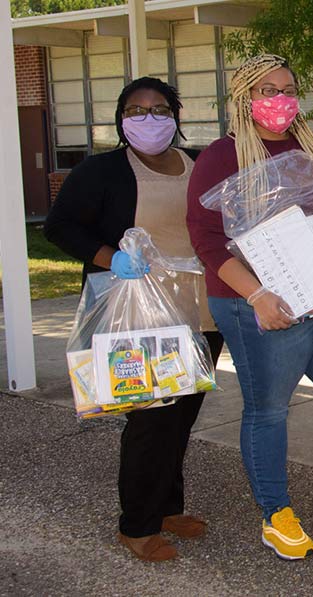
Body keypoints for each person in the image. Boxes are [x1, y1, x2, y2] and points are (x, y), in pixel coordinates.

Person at [186, 54, 313, 561]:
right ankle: (275, 514)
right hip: (257, 301)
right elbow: (207, 240)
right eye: (266, 90)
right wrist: (256, 295)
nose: (278, 100)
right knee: (269, 408)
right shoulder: (221, 156)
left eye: (287, 88)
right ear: (244, 99)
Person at [45, 77, 224, 562]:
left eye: (160, 109)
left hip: (202, 312)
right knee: (151, 421)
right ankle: (137, 525)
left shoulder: (198, 165)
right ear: (122, 119)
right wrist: (109, 257)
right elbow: (59, 226)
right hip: (142, 317)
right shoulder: (102, 171)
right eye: (137, 110)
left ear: (176, 116)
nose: (149, 118)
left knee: (182, 417)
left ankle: (168, 507)